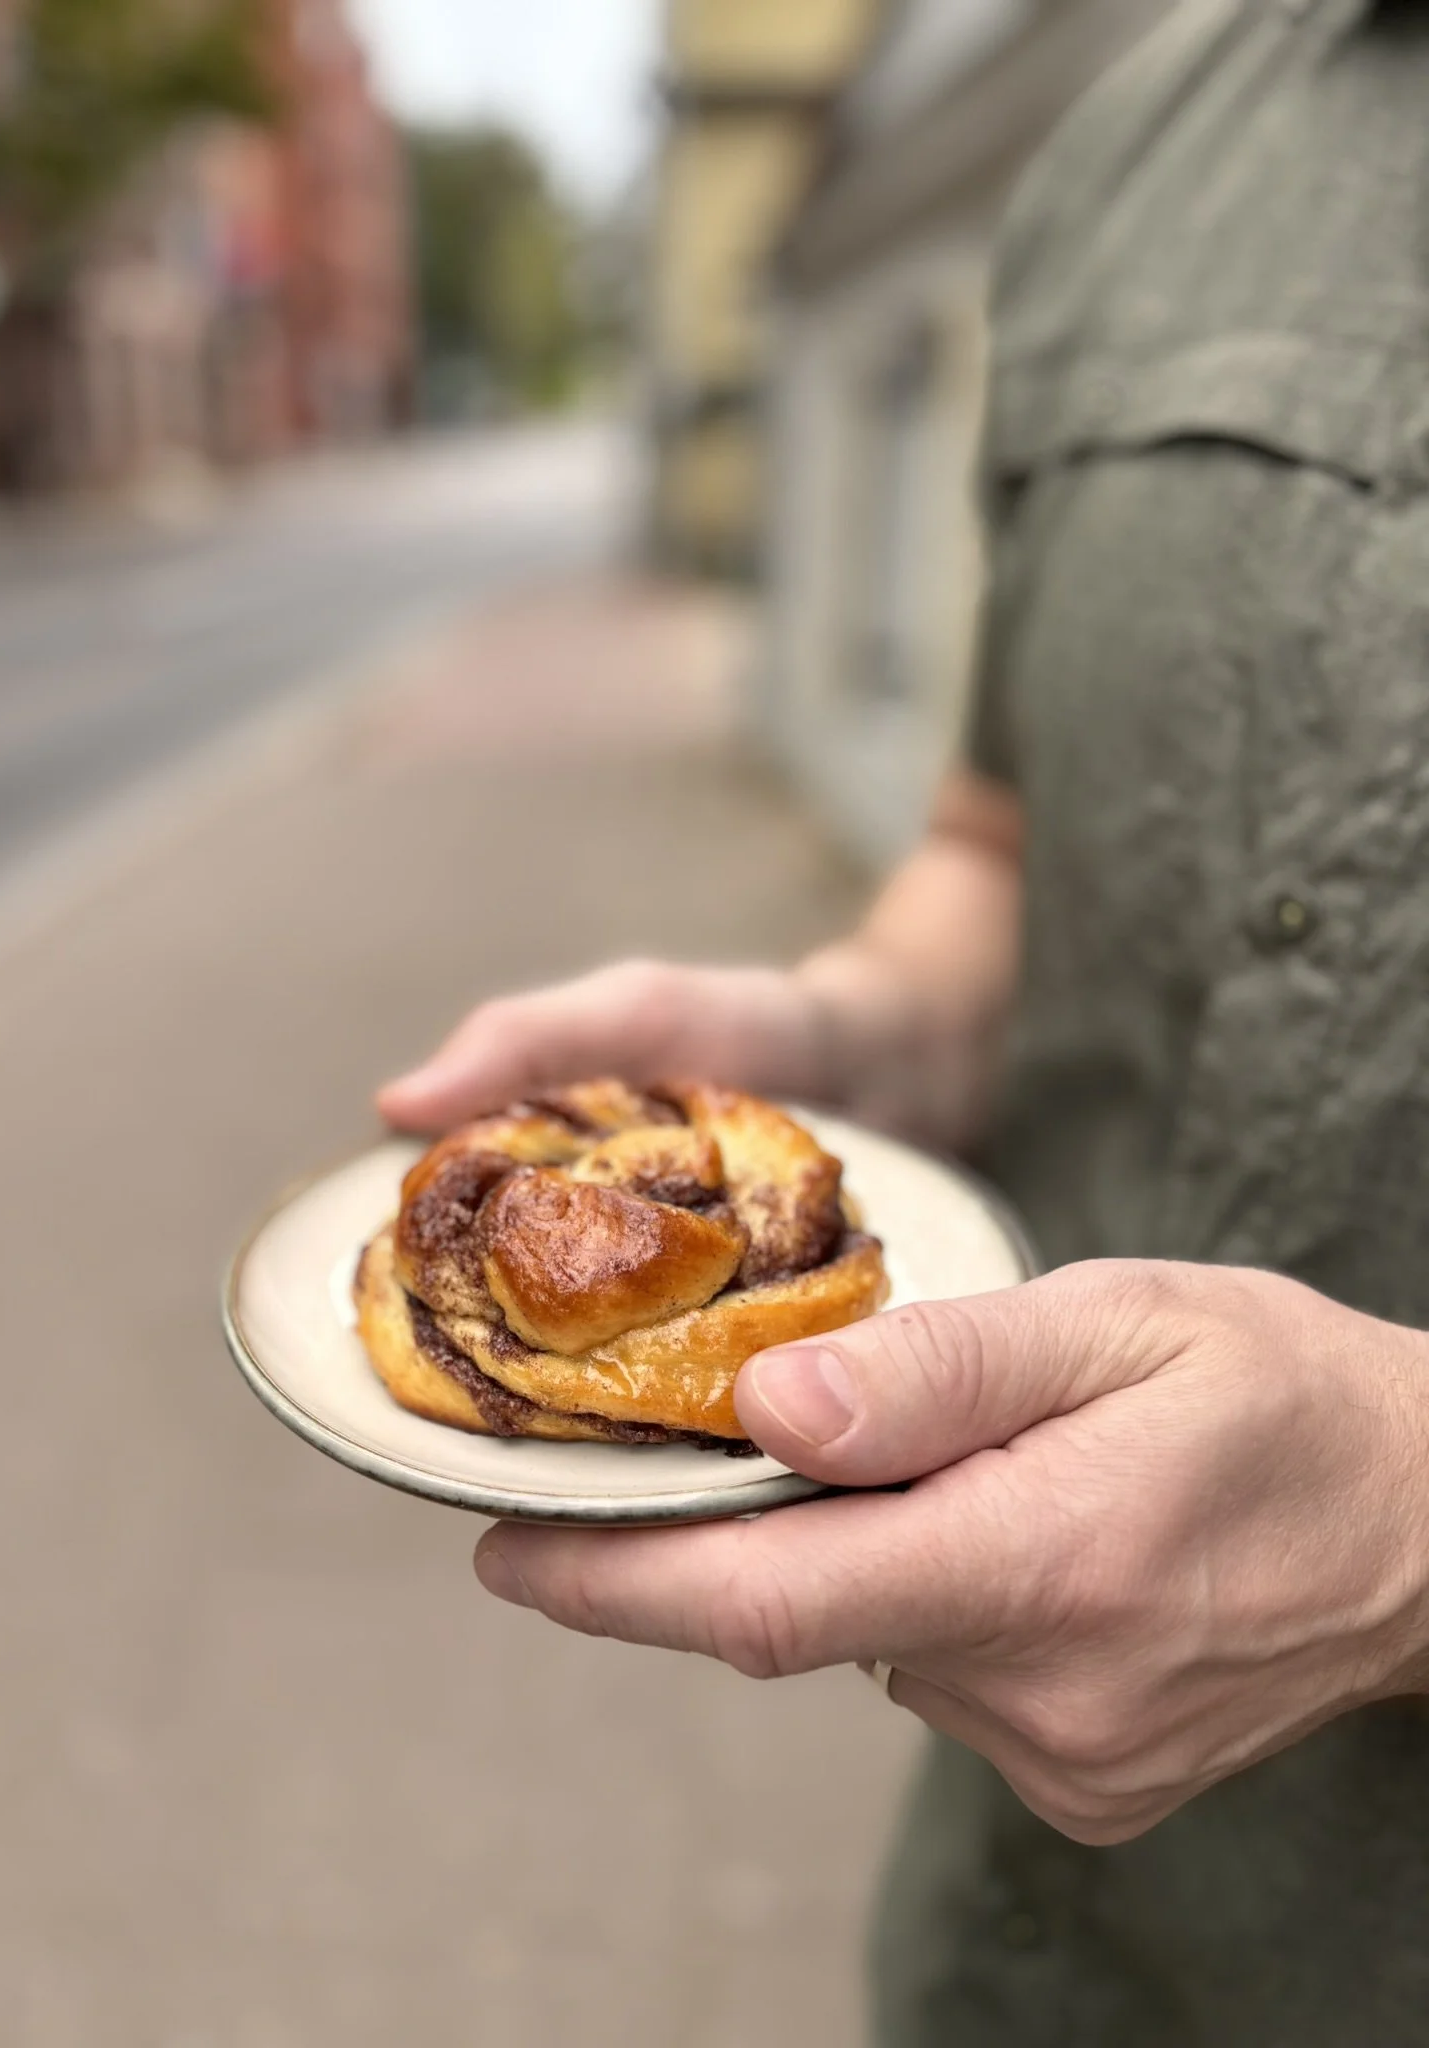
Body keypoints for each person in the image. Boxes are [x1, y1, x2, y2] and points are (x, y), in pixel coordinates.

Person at [378, 3, 1429, 2039]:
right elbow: (999, 848)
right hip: (1022, 1947)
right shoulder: (1156, 142)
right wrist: (853, 1033)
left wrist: (1406, 1511)